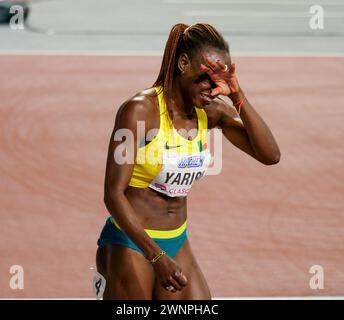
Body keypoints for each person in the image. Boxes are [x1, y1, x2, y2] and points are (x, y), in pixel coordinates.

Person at [93, 23, 281, 300]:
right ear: (183, 63)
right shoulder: (139, 112)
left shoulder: (211, 111)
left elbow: (270, 155)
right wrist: (156, 258)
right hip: (131, 242)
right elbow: (113, 194)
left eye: (220, 79)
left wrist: (237, 94)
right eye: (207, 76)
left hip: (177, 241)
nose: (212, 87)